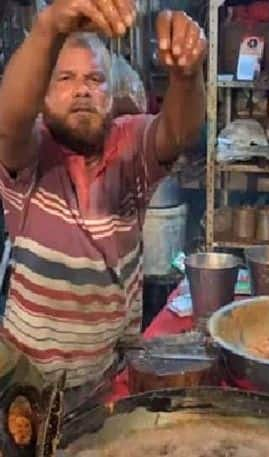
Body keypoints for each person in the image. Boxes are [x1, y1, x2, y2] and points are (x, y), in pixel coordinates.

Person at [0, 0, 206, 405]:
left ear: (112, 96)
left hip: (104, 382)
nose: (82, 89)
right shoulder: (31, 156)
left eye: (95, 79)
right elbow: (8, 124)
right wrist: (49, 26)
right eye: (65, 78)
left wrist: (186, 74)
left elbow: (177, 132)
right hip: (26, 386)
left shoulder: (129, 147)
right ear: (43, 95)